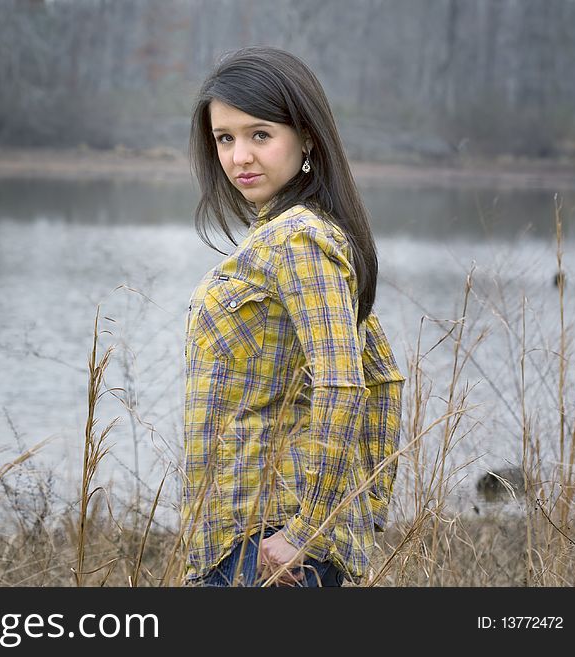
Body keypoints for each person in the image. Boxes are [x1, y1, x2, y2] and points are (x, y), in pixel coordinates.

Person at [181, 46, 405, 587]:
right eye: (225, 138)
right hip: (247, 542)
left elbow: (346, 382)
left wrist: (309, 530)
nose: (239, 158)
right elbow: (382, 377)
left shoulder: (297, 239)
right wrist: (359, 516)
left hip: (267, 547)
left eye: (260, 135)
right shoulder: (291, 237)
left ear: (306, 139)